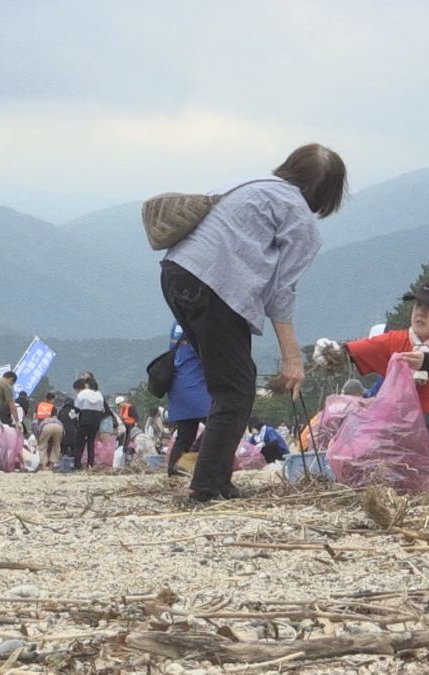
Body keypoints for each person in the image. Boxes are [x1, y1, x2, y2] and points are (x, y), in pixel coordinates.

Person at [160, 143, 347, 502]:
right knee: (236, 390)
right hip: (217, 287)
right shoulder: (301, 219)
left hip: (176, 273)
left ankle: (217, 479)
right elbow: (281, 291)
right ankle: (205, 486)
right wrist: (292, 358)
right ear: (327, 195)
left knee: (227, 383)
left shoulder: (248, 182)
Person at [316, 277, 429, 490]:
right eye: (418, 305)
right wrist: (333, 353)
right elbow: (354, 351)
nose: (420, 312)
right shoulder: (398, 343)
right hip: (415, 452)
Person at [165, 321, 212, 477]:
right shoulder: (197, 323)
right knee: (218, 422)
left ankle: (173, 471)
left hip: (178, 383)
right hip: (195, 385)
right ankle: (190, 456)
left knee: (185, 434)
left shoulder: (178, 323)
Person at [73, 375, 105, 469]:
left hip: (84, 419)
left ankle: (77, 464)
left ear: (87, 384)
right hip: (95, 421)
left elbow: (76, 408)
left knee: (80, 442)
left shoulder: (83, 393)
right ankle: (90, 464)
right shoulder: (99, 395)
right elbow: (101, 409)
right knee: (91, 442)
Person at [36, 404, 63, 470]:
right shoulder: (56, 418)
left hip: (47, 426)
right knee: (56, 445)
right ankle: (51, 466)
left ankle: (44, 466)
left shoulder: (41, 420)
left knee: (42, 446)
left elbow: (39, 432)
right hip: (58, 426)